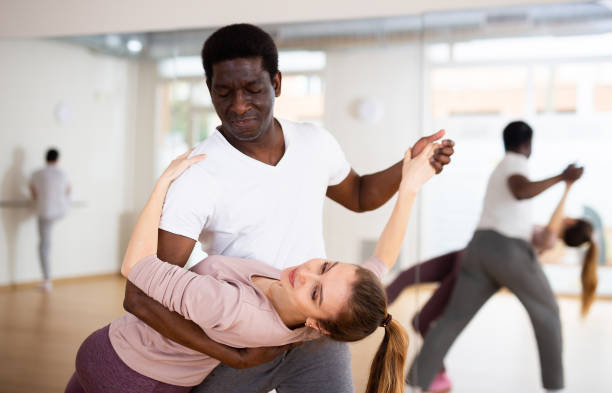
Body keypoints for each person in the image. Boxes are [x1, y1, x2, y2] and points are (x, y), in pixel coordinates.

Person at [121, 23, 455, 393]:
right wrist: (233, 355)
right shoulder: (198, 173)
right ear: (209, 91)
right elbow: (144, 292)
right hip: (242, 340)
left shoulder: (315, 142)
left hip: (315, 331)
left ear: (276, 83)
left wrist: (408, 166)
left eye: (253, 89)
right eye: (224, 92)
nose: (239, 106)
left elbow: (359, 196)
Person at [65, 140, 439, 393]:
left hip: (126, 374)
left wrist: (163, 182)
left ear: (317, 326)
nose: (305, 273)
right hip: (116, 348)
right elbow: (383, 257)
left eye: (314, 291)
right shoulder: (335, 311)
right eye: (325, 265)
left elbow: (136, 267)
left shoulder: (233, 308)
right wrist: (409, 186)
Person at [406, 121, 583, 393]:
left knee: (453, 318)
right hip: (507, 251)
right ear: (527, 144)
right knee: (547, 311)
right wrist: (562, 177)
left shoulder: (501, 166)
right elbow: (520, 190)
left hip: (478, 249)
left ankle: (416, 381)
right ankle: (555, 387)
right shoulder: (515, 164)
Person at [387, 177, 598, 393]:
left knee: (430, 320)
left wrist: (567, 189)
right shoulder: (541, 236)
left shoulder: (548, 240)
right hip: (471, 256)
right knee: (424, 302)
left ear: (571, 223)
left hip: (472, 262)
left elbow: (554, 224)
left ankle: (431, 375)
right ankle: (423, 373)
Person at [29, 148, 71, 291]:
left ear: (45, 158)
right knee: (46, 245)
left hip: (45, 213)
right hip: (61, 211)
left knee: (44, 246)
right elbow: (68, 191)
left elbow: (34, 194)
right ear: (57, 159)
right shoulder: (63, 174)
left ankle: (47, 280)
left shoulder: (36, 174)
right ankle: (47, 280)